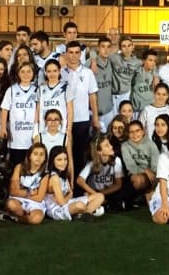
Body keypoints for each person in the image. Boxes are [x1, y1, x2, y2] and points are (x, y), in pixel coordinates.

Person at [60, 41, 101, 173]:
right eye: (70, 52)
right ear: (66, 54)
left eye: (77, 52)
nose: (73, 55)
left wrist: (95, 117)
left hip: (82, 120)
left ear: (80, 54)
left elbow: (92, 96)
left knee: (80, 155)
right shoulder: (60, 72)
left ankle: (78, 186)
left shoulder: (88, 73)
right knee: (63, 154)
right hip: (63, 121)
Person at [0, 143, 49, 224]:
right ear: (29, 156)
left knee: (36, 219)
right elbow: (13, 191)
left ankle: (13, 218)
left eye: (42, 154)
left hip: (35, 204)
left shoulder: (45, 174)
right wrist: (30, 192)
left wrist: (21, 192)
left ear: (45, 158)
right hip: (18, 200)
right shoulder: (20, 167)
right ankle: (25, 216)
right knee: (11, 204)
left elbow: (39, 198)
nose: (38, 157)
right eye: (35, 154)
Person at [0, 62, 39, 170]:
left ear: (33, 73)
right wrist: (3, 128)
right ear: (18, 74)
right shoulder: (11, 90)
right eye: (23, 72)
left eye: (29, 71)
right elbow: (5, 109)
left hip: (31, 134)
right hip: (16, 135)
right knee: (16, 165)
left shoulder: (37, 90)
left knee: (31, 164)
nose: (26, 74)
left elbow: (39, 110)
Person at [49, 147, 105, 220]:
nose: (63, 163)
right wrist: (69, 196)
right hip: (57, 209)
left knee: (100, 196)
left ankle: (84, 214)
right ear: (52, 161)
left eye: (65, 159)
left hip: (68, 202)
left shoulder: (63, 174)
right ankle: (90, 211)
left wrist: (69, 195)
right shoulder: (54, 177)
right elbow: (62, 203)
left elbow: (70, 193)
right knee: (79, 205)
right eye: (59, 160)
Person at [75, 136, 122, 210]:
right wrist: (95, 194)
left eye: (110, 144)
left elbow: (118, 185)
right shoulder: (92, 162)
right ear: (99, 151)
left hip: (108, 192)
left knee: (121, 196)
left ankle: (106, 204)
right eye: (107, 145)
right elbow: (79, 181)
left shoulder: (116, 160)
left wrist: (101, 193)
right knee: (84, 194)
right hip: (94, 192)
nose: (111, 146)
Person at [121, 120, 160, 206]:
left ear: (143, 131)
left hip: (152, 174)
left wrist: (151, 173)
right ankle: (141, 195)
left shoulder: (151, 144)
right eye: (131, 132)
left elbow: (155, 165)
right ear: (128, 133)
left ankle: (149, 194)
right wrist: (145, 170)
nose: (135, 134)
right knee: (138, 180)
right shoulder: (125, 146)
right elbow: (131, 167)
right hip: (136, 175)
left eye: (137, 131)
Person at [37, 60, 74, 134]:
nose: (52, 74)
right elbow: (38, 110)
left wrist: (69, 128)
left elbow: (70, 111)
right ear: (45, 72)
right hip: (44, 128)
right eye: (49, 71)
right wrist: (36, 128)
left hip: (61, 128)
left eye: (55, 71)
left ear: (59, 71)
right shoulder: (41, 89)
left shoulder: (66, 87)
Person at [93, 37, 118, 133]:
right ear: (98, 48)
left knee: (108, 136)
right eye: (103, 46)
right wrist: (93, 59)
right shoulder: (91, 63)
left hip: (108, 110)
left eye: (108, 47)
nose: (106, 50)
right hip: (94, 111)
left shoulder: (111, 62)